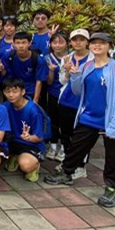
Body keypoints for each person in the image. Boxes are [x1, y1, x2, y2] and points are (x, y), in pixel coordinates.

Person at [45, 32, 115, 208]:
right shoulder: (88, 66)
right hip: (89, 116)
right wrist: (75, 74)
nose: (97, 46)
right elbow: (78, 91)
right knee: (77, 145)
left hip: (111, 120)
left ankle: (112, 188)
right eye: (94, 43)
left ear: (109, 46)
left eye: (102, 43)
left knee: (114, 156)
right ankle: (67, 172)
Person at [53, 29, 94, 179]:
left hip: (84, 102)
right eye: (75, 39)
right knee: (66, 134)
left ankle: (81, 166)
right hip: (66, 100)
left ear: (87, 42)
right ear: (70, 42)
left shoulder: (93, 59)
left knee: (82, 136)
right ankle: (68, 162)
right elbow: (62, 81)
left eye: (81, 39)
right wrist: (68, 71)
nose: (78, 42)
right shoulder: (67, 58)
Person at [2, 78, 50, 182]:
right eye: (7, 91)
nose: (11, 95)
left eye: (15, 91)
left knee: (25, 165)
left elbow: (39, 137)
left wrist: (29, 137)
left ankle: (34, 164)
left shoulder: (33, 110)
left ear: (23, 92)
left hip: (31, 144)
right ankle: (14, 155)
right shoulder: (6, 106)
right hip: (13, 141)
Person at [0, 31, 48, 102]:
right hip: (13, 89)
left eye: (24, 42)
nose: (21, 46)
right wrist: (2, 70)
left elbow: (39, 81)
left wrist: (35, 100)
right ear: (13, 44)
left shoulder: (38, 60)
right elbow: (5, 75)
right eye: (18, 43)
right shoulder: (8, 56)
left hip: (30, 91)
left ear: (29, 43)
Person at [45, 32, 70, 161]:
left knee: (66, 122)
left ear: (67, 43)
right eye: (55, 42)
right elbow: (48, 82)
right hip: (53, 93)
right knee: (53, 120)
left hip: (68, 95)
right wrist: (50, 70)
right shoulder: (48, 58)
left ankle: (65, 148)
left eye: (61, 42)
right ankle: (53, 146)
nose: (57, 45)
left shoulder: (72, 57)